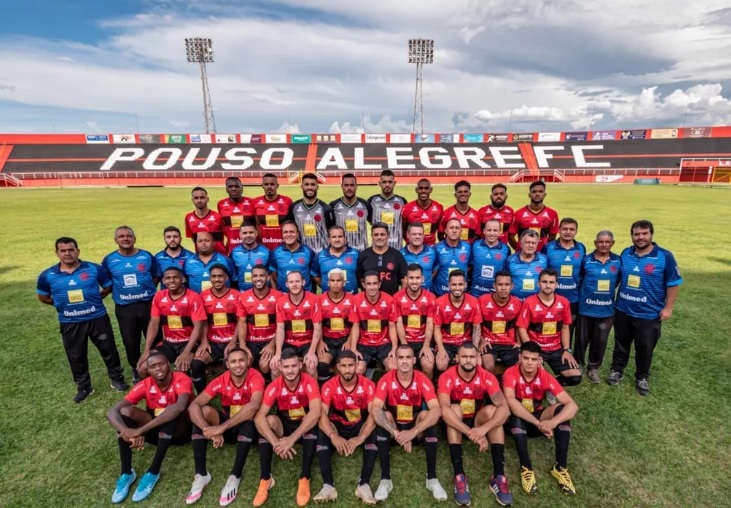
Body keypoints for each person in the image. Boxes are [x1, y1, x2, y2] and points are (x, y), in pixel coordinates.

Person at [37, 236, 127, 403]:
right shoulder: (48, 275)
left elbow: (107, 286)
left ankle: (117, 379)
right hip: (70, 322)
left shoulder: (94, 268)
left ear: (78, 251)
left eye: (71, 250)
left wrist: (96, 299)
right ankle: (84, 387)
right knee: (76, 355)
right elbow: (43, 297)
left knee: (109, 349)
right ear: (57, 253)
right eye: (63, 250)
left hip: (97, 318)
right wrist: (60, 304)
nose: (67, 253)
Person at [107, 351, 192, 503]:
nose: (158, 368)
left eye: (161, 364)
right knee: (125, 412)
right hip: (156, 432)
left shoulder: (181, 378)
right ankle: (126, 473)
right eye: (153, 366)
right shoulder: (145, 384)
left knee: (171, 413)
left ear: (168, 364)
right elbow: (112, 412)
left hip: (180, 432)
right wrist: (126, 431)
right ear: (148, 370)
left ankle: (153, 471)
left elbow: (179, 408)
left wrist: (140, 431)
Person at [609, 220, 682, 395]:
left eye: (644, 234)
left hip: (649, 314)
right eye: (637, 234)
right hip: (623, 309)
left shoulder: (664, 256)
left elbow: (673, 284)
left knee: (645, 347)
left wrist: (668, 308)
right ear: (632, 236)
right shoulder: (626, 253)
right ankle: (617, 370)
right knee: (621, 344)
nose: (640, 237)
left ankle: (642, 377)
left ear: (651, 235)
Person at [186, 347, 265, 506]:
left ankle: (235, 476)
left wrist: (220, 428)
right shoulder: (221, 380)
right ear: (227, 364)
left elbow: (254, 406)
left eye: (241, 360)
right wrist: (208, 430)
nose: (238, 365)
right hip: (228, 427)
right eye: (233, 361)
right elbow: (193, 405)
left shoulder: (256, 377)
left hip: (249, 429)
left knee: (248, 420)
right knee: (203, 412)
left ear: (248, 361)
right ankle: (201, 474)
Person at [437, 343, 513, 507]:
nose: (468, 360)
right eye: (464, 356)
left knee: (493, 411)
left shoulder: (487, 376)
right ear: (457, 358)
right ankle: (459, 477)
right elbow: (444, 411)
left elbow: (505, 409)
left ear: (478, 358)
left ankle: (498, 477)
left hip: (476, 421)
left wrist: (483, 429)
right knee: (453, 409)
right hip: (455, 423)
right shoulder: (446, 376)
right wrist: (471, 433)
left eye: (472, 356)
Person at [370, 344, 447, 502]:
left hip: (415, 428)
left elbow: (436, 410)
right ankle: (385, 479)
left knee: (426, 415)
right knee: (384, 415)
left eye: (408, 357)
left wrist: (412, 433)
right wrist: (397, 433)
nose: (404, 361)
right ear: (395, 360)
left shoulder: (422, 379)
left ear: (414, 360)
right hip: (394, 430)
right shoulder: (386, 379)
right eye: (400, 357)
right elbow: (375, 408)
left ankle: (432, 478)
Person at [503, 341, 579, 496]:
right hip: (514, 423)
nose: (529, 363)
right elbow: (511, 402)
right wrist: (539, 424)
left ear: (540, 360)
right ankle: (526, 468)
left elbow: (572, 405)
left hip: (537, 419)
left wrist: (552, 422)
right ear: (520, 357)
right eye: (526, 358)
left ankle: (560, 468)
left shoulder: (545, 376)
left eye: (533, 359)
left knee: (562, 410)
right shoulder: (510, 373)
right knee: (516, 414)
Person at [253, 349, 322, 507]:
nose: (290, 370)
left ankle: (305, 477)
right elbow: (259, 416)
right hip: (284, 424)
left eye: (293, 366)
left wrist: (291, 440)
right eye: (286, 367)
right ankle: (266, 479)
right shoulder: (275, 385)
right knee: (268, 421)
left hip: (303, 424)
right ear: (280, 367)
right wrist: (275, 443)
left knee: (312, 424)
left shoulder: (309, 381)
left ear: (300, 365)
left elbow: (316, 412)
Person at [313, 350, 379, 504]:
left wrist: (361, 437)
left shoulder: (368, 385)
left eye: (351, 365)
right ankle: (328, 486)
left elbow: (374, 413)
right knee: (322, 430)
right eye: (344, 366)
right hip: (339, 424)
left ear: (357, 365)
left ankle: (364, 485)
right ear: (338, 367)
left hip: (359, 424)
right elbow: (321, 414)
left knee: (374, 428)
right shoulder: (329, 386)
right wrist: (333, 436)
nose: (347, 370)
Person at [102, 226, 159, 383]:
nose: (125, 239)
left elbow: (156, 276)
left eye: (129, 236)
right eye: (121, 236)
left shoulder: (146, 256)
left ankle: (157, 366)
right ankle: (137, 369)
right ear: (116, 240)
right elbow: (106, 281)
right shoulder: (110, 259)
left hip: (147, 305)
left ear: (134, 239)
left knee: (154, 338)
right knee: (131, 341)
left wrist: (146, 290)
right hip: (125, 308)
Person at [138, 266, 206, 378]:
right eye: (168, 278)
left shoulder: (193, 297)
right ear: (163, 281)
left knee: (182, 368)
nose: (171, 280)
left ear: (183, 279)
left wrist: (186, 352)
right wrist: (147, 350)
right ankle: (158, 387)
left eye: (175, 277)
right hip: (168, 343)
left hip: (189, 342)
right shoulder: (159, 296)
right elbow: (154, 323)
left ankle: (183, 385)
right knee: (143, 368)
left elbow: (198, 327)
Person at [516, 269, 581, 386]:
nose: (548, 285)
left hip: (556, 349)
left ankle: (549, 386)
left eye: (551, 282)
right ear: (538, 283)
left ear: (556, 284)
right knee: (532, 374)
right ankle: (542, 383)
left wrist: (566, 350)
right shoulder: (529, 302)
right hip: (537, 348)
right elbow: (522, 328)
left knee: (575, 377)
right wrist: (532, 351)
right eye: (544, 282)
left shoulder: (564, 302)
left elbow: (565, 328)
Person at [575, 230, 621, 383]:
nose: (604, 244)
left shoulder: (617, 261)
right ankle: (578, 364)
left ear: (612, 243)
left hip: (606, 309)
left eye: (607, 242)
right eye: (601, 242)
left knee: (600, 341)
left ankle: (593, 368)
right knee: (581, 340)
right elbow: (580, 278)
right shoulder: (586, 260)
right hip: (586, 307)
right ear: (595, 243)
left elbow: (617, 280)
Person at [191, 264, 240, 393]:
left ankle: (234, 394)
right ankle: (202, 396)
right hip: (212, 343)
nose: (217, 279)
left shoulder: (236, 295)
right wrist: (204, 341)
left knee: (233, 365)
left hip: (232, 341)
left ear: (226, 278)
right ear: (210, 278)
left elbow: (241, 322)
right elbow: (203, 322)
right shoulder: (202, 296)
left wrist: (233, 341)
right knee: (196, 364)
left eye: (220, 276)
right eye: (213, 276)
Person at [270, 271, 322, 379]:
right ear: (286, 284)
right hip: (289, 343)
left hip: (308, 343)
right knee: (275, 367)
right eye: (291, 282)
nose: (294, 284)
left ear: (303, 282)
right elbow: (280, 328)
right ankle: (279, 389)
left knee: (311, 366)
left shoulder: (314, 299)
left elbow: (317, 327)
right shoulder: (280, 301)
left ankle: (313, 389)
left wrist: (312, 351)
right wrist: (278, 352)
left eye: (297, 281)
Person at [543, 218, 586, 344]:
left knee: (568, 330)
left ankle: (566, 351)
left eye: (571, 229)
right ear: (558, 230)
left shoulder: (581, 248)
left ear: (576, 231)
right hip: (551, 298)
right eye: (565, 229)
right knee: (549, 329)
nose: (568, 232)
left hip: (573, 298)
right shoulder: (548, 247)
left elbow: (584, 271)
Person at [348, 271, 399, 375]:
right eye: (369, 284)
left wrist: (394, 348)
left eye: (375, 283)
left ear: (379, 284)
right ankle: (364, 384)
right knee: (358, 369)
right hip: (363, 343)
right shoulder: (356, 300)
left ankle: (388, 385)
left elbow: (392, 326)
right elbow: (355, 326)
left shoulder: (389, 300)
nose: (372, 287)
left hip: (384, 343)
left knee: (393, 367)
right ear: (363, 285)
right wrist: (353, 348)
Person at [393, 264, 437, 379]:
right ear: (406, 279)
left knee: (428, 365)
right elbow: (399, 323)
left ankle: (426, 389)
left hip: (423, 340)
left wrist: (426, 345)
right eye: (411, 278)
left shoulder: (431, 297)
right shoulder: (397, 297)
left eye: (417, 278)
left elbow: (430, 324)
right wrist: (404, 345)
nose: (414, 281)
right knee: (399, 365)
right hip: (405, 340)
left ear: (422, 279)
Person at [433, 270, 482, 371]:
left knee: (477, 363)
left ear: (465, 285)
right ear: (449, 285)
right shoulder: (439, 302)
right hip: (446, 342)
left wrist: (475, 350)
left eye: (460, 284)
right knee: (441, 365)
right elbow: (436, 328)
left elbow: (476, 328)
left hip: (465, 341)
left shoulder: (474, 302)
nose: (457, 288)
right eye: (454, 284)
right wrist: (441, 349)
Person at [236, 265, 281, 375]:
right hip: (251, 341)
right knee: (243, 363)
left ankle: (267, 383)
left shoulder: (279, 297)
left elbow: (282, 325)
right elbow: (242, 322)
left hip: (270, 340)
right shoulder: (243, 297)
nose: (258, 278)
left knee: (264, 365)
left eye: (262, 275)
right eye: (255, 276)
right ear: (251, 278)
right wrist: (242, 345)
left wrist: (272, 345)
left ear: (268, 277)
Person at [316, 269, 356, 384]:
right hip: (327, 340)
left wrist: (349, 341)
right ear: (328, 282)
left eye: (338, 280)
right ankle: (325, 388)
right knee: (322, 365)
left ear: (344, 282)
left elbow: (355, 324)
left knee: (342, 366)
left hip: (345, 339)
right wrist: (320, 342)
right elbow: (317, 324)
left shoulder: (352, 300)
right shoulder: (319, 300)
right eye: (332, 280)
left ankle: (340, 390)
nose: (335, 283)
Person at [478, 270, 523, 372]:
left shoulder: (517, 303)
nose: (503, 288)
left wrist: (519, 342)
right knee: (488, 365)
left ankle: (506, 380)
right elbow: (476, 325)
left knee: (521, 363)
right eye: (500, 284)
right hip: (489, 343)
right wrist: (482, 340)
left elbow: (518, 326)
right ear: (494, 286)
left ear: (512, 286)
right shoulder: (482, 301)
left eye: (507, 284)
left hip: (509, 343)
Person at [288, 172, 336, 254]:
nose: (310, 187)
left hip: (321, 253)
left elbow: (332, 233)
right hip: (301, 253)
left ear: (317, 187)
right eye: (306, 184)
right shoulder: (294, 207)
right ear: (302, 187)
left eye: (313, 185)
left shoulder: (326, 208)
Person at [356, 222, 408, 296]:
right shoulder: (363, 255)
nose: (379, 237)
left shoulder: (397, 255)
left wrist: (398, 298)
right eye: (376, 235)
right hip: (369, 300)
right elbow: (360, 280)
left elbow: (404, 281)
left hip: (391, 300)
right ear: (371, 236)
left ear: (388, 236)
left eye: (382, 234)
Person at [508, 180, 559, 252]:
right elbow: (510, 236)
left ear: (545, 194)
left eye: (540, 191)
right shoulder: (519, 213)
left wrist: (544, 251)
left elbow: (552, 236)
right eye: (534, 192)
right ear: (529, 195)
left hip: (542, 255)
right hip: (523, 255)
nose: (537, 194)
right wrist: (519, 249)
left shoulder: (552, 214)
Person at [269, 221, 316, 293]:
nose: (289, 234)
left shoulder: (308, 252)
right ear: (282, 234)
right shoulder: (275, 252)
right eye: (285, 232)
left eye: (292, 232)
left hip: (305, 294)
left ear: (297, 234)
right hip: (283, 294)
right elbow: (274, 275)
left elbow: (313, 275)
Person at [329, 173, 372, 251]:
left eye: (352, 185)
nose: (349, 188)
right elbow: (330, 230)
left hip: (362, 251)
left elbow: (374, 225)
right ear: (342, 187)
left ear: (356, 186)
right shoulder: (333, 206)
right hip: (342, 252)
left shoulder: (366, 205)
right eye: (346, 185)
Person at [312, 226, 359, 294]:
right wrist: (325, 286)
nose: (337, 239)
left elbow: (361, 275)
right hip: (328, 298)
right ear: (329, 239)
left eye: (340, 236)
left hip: (352, 297)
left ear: (345, 238)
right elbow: (315, 275)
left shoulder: (355, 254)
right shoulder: (320, 256)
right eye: (334, 237)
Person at [367, 169, 408, 249]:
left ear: (394, 183)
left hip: (396, 248)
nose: (387, 185)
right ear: (380, 184)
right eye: (384, 182)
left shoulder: (402, 201)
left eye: (390, 182)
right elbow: (370, 221)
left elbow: (405, 225)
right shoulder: (372, 201)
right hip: (377, 248)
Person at [470, 219, 511, 298]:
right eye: (489, 230)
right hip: (475, 294)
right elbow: (469, 267)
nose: (492, 233)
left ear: (499, 232)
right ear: (484, 231)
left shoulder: (506, 249)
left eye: (495, 230)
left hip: (495, 296)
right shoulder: (475, 246)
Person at [251, 173, 293, 251]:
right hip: (263, 247)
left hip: (283, 246)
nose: (269, 187)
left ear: (277, 185)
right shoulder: (255, 202)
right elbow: (256, 225)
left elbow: (291, 225)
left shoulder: (287, 201)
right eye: (266, 184)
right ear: (262, 186)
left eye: (272, 184)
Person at [433, 218, 471, 296]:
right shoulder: (437, 248)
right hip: (441, 293)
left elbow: (470, 266)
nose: (454, 230)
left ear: (461, 231)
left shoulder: (468, 247)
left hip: (461, 293)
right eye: (451, 228)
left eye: (457, 228)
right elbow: (433, 271)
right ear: (446, 231)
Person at [507, 230, 548, 300]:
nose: (530, 245)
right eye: (527, 242)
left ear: (537, 244)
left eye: (533, 243)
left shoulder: (544, 259)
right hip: (516, 301)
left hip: (537, 303)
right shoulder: (510, 260)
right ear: (521, 244)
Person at [230, 222, 271, 292]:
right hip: (242, 292)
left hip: (262, 293)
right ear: (240, 235)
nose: (248, 235)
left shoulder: (266, 252)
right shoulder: (234, 252)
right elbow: (233, 276)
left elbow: (270, 274)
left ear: (256, 233)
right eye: (245, 233)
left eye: (251, 232)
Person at [401, 178, 443, 246]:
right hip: (412, 248)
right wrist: (412, 243)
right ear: (416, 190)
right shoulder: (407, 208)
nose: (423, 191)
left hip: (430, 248)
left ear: (431, 190)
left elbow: (440, 233)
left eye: (426, 188)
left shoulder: (439, 208)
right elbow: (403, 230)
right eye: (421, 188)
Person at [217, 177, 253, 254]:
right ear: (226, 189)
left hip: (250, 246)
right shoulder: (221, 204)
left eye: (237, 186)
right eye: (230, 187)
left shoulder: (251, 202)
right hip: (231, 246)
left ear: (242, 188)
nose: (233, 189)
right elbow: (222, 226)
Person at [185, 187, 226, 255]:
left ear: (207, 199)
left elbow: (227, 234)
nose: (199, 200)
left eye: (202, 197)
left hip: (220, 255)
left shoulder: (218, 217)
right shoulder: (188, 218)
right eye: (196, 198)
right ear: (192, 200)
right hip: (201, 256)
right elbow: (193, 237)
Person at [400, 222, 439, 292]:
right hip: (409, 295)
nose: (417, 237)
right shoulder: (400, 254)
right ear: (408, 235)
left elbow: (435, 270)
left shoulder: (432, 252)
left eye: (420, 234)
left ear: (423, 235)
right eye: (414, 234)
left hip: (428, 294)